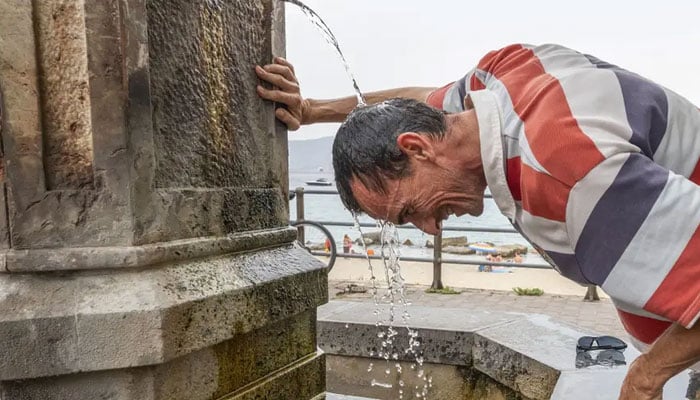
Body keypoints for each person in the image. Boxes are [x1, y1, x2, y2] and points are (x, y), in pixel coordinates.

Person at [256, 44, 700, 399]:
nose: (431, 229)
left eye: (409, 212)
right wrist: (313, 109)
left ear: (417, 149)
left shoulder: (566, 177)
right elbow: (413, 102)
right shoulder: (498, 78)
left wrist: (645, 377)